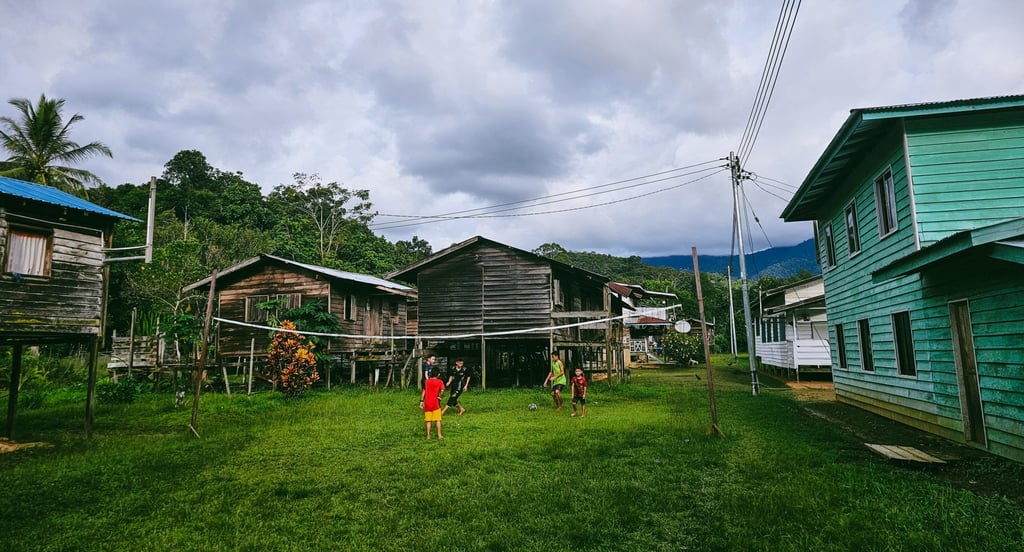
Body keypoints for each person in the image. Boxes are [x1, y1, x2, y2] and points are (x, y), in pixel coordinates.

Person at [421, 371, 445, 439]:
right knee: (438, 420)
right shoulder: (440, 382)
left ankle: (428, 435)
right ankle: (439, 435)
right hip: (436, 403)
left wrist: (421, 400)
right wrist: (440, 396)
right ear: (438, 374)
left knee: (428, 420)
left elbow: (424, 391)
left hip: (427, 403)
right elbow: (442, 391)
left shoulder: (427, 381)